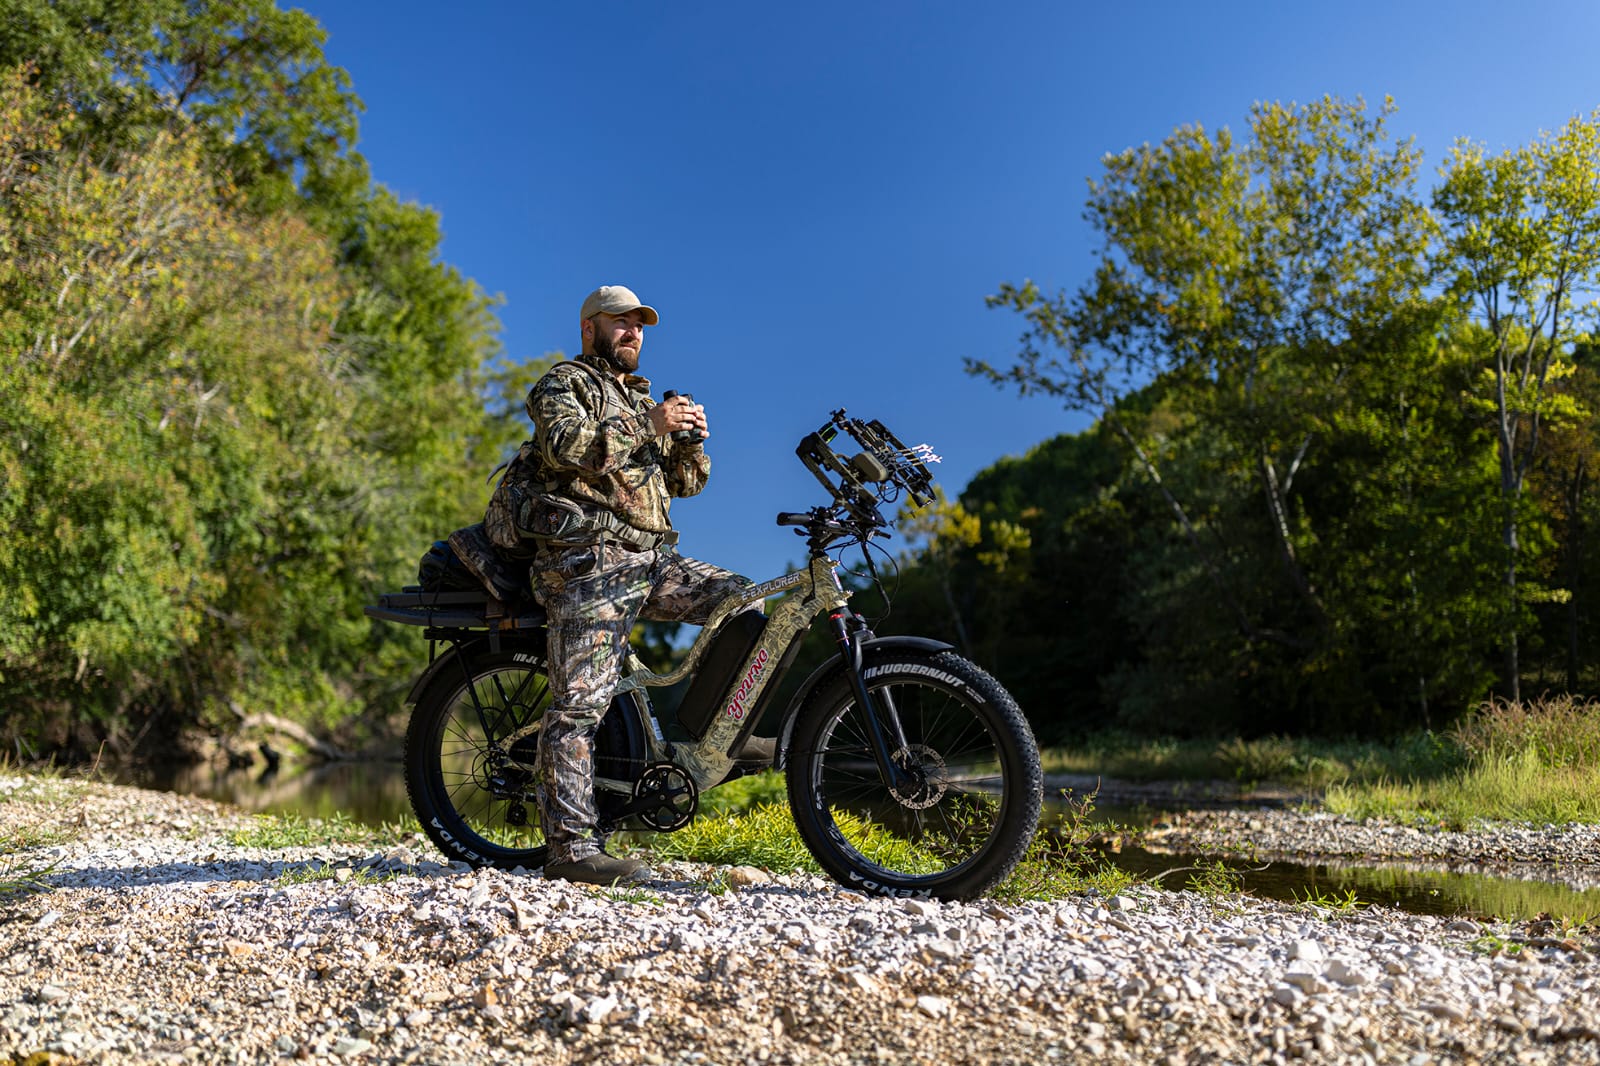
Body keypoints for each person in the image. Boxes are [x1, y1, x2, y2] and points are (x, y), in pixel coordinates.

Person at [492, 284, 765, 885]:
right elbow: (566, 448)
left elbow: (686, 485)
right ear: (590, 328)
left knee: (749, 605)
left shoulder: (640, 397)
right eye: (621, 323)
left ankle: (719, 737)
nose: (634, 333)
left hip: (648, 559)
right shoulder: (566, 384)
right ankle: (571, 852)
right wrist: (649, 423)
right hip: (585, 562)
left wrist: (691, 440)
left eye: (640, 325)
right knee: (578, 708)